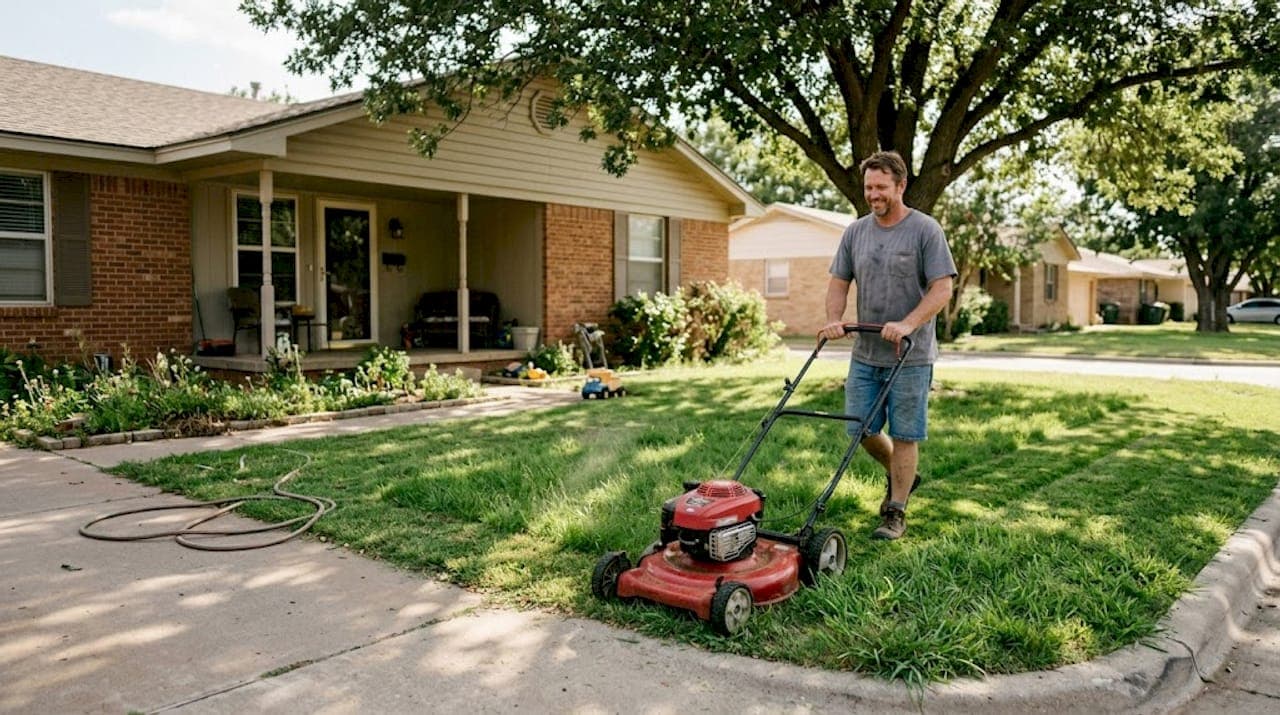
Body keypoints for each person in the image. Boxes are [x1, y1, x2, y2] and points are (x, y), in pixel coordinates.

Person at [820, 150, 957, 541]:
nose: (873, 194)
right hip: (866, 352)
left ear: (901, 185)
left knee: (905, 434)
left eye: (881, 187)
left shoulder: (925, 230)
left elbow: (942, 287)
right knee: (859, 427)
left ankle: (895, 510)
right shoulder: (856, 232)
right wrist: (834, 318)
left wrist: (908, 323)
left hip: (909, 355)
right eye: (868, 187)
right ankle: (903, 477)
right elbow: (838, 281)